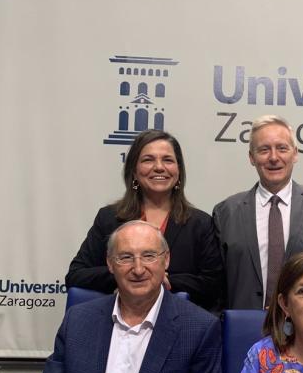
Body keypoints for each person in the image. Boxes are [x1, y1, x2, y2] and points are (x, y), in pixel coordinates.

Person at [12, 221, 222, 373]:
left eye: (149, 256)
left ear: (166, 261)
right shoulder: (79, 320)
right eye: (125, 257)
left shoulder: (198, 328)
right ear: (110, 264)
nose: (138, 268)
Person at [66, 130, 223, 310]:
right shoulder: (109, 218)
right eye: (148, 160)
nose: (159, 167)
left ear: (179, 171)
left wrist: (165, 280)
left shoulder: (200, 223)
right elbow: (76, 276)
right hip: (119, 320)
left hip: (179, 320)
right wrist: (125, 274)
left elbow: (214, 286)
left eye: (168, 160)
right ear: (134, 171)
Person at [212, 115, 303, 310]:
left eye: (282, 148)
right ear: (252, 157)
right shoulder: (225, 212)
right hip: (243, 326)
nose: (273, 157)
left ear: (295, 154)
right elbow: (215, 284)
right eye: (264, 150)